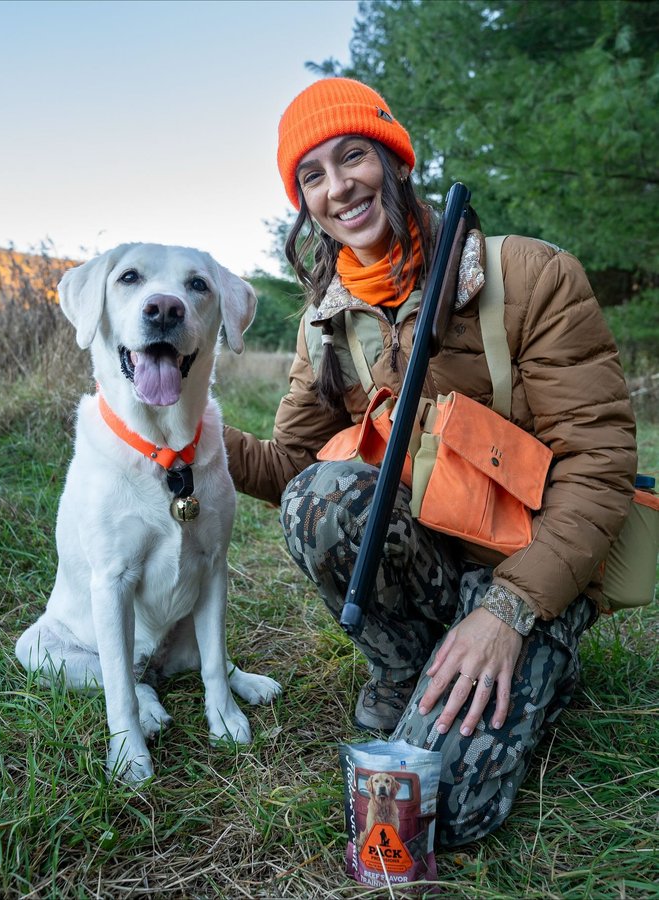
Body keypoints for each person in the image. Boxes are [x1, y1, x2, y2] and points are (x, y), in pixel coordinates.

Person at [223, 77, 637, 847]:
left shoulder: (527, 277)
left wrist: (509, 611)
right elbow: (292, 471)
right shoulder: (326, 322)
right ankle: (406, 663)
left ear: (394, 159)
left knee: (441, 808)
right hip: (424, 557)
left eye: (353, 157)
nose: (337, 186)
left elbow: (600, 460)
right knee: (324, 495)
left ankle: (539, 652)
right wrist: (199, 440)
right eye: (310, 175)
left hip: (521, 565)